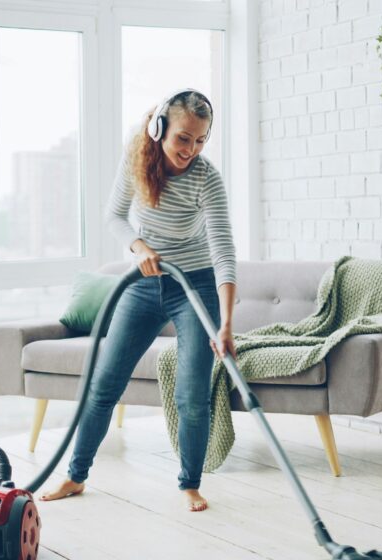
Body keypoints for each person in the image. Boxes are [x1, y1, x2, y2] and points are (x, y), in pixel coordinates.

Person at [40, 89, 237, 512]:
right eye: (184, 138)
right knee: (104, 385)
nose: (191, 150)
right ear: (159, 128)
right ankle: (75, 476)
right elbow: (113, 215)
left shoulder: (207, 179)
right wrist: (139, 245)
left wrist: (225, 325)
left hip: (194, 287)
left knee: (192, 395)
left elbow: (222, 252)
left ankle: (190, 483)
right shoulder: (137, 163)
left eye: (201, 140)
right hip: (145, 285)